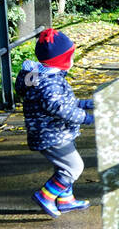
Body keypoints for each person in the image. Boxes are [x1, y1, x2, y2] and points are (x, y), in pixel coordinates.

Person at [18, 29, 95, 218]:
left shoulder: (44, 75)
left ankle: (66, 199)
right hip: (51, 135)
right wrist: (87, 118)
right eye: (71, 55)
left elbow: (63, 103)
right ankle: (46, 195)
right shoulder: (49, 83)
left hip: (56, 132)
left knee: (64, 166)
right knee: (74, 167)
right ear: (63, 59)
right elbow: (61, 108)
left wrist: (84, 103)